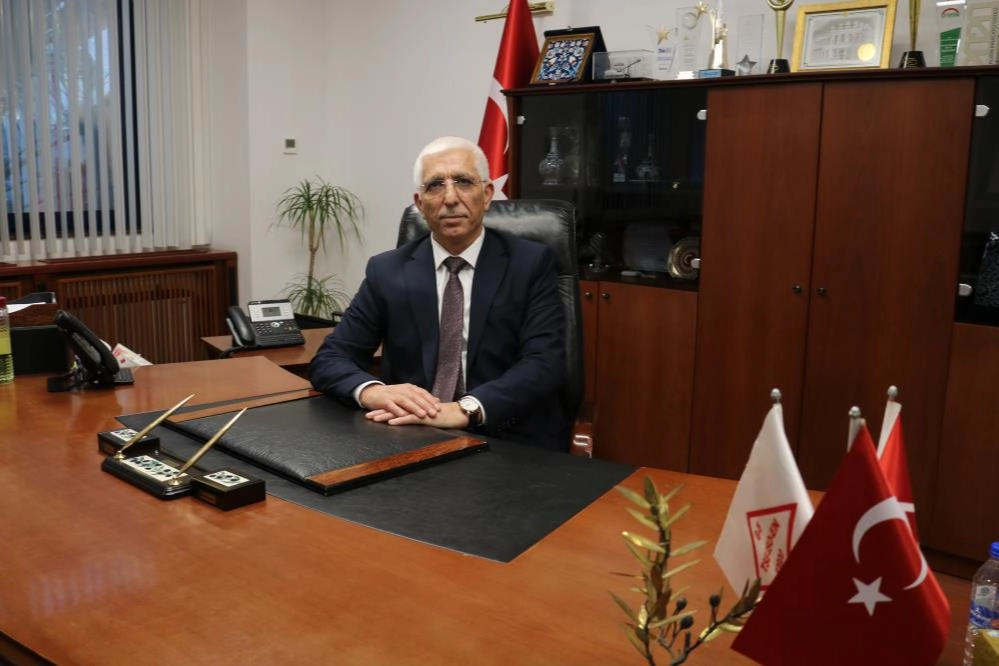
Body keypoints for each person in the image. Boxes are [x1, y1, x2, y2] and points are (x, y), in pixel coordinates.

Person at [309, 136, 568, 451]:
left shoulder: (530, 263)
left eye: (464, 182)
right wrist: (374, 392)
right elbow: (331, 358)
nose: (450, 198)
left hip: (505, 433)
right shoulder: (387, 270)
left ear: (487, 194)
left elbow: (545, 363)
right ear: (420, 203)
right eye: (434, 185)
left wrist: (465, 410)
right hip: (412, 432)